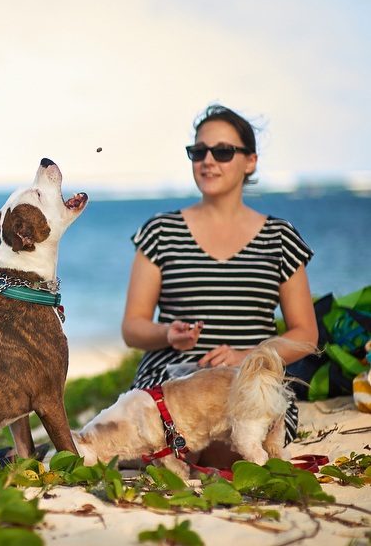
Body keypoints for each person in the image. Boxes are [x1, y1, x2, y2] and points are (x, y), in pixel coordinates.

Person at [121, 104, 318, 461]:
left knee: (236, 440)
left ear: (250, 161)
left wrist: (247, 357)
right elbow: (132, 327)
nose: (208, 160)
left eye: (223, 151)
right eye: (199, 152)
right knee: (184, 437)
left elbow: (306, 334)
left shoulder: (280, 237)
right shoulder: (160, 232)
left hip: (248, 384)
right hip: (172, 377)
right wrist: (168, 333)